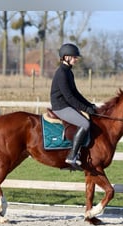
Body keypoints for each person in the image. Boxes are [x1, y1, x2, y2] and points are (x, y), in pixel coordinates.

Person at [50, 43, 97, 171]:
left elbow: (76, 93)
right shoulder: (61, 73)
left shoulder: (68, 72)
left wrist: (89, 105)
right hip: (61, 107)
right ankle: (72, 156)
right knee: (85, 124)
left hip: (66, 105)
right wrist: (86, 109)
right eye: (74, 57)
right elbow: (69, 97)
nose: (76, 59)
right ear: (66, 57)